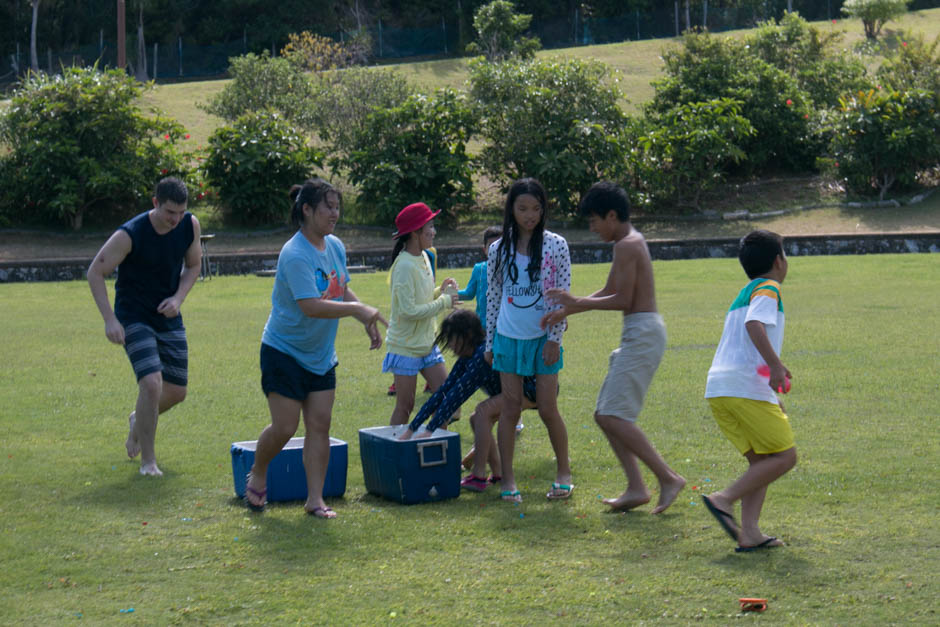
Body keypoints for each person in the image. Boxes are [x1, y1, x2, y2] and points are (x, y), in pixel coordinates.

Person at [244, 179, 386, 518]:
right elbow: (310, 305)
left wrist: (363, 315)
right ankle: (259, 470)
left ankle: (315, 500)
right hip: (284, 351)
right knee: (285, 427)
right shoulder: (294, 254)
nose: (335, 214)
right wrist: (355, 310)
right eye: (328, 207)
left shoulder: (334, 245)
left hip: (321, 355)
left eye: (338, 208)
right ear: (307, 210)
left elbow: (340, 290)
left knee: (320, 425)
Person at [541, 182, 686, 514]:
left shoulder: (627, 246)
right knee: (605, 415)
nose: (592, 228)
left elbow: (623, 299)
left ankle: (667, 478)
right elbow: (610, 290)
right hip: (641, 331)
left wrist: (574, 301)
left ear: (611, 215)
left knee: (612, 415)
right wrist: (568, 310)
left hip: (642, 332)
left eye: (594, 220)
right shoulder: (628, 242)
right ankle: (637, 487)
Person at [87, 177, 201, 477]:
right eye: (168, 212)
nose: (175, 219)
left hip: (167, 315)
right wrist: (110, 320)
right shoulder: (130, 234)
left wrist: (178, 297)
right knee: (151, 384)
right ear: (155, 203)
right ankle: (148, 462)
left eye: (180, 212)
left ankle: (139, 419)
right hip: (133, 315)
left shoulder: (190, 226)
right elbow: (95, 272)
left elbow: (193, 266)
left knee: (176, 391)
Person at [700, 230, 796, 551]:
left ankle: (750, 532)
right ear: (778, 261)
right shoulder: (769, 288)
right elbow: (753, 326)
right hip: (742, 388)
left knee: (763, 461)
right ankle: (723, 499)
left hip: (722, 388)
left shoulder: (745, 291)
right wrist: (777, 366)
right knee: (785, 457)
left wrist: (771, 387)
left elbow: (744, 348)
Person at [484, 178, 572, 503]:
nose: (530, 215)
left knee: (549, 409)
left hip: (543, 339)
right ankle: (508, 480)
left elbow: (563, 296)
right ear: (511, 209)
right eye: (522, 208)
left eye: (536, 208)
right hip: (508, 339)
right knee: (510, 410)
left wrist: (554, 338)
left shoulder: (556, 244)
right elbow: (494, 296)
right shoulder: (498, 249)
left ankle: (564, 474)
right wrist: (490, 344)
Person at [396, 310, 543, 492]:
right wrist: (413, 427)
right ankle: (497, 474)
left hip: (532, 390)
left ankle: (478, 476)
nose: (449, 345)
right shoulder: (467, 358)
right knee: (477, 419)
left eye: (452, 338)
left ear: (468, 335)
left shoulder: (481, 356)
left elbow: (455, 397)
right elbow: (442, 393)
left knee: (482, 411)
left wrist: (430, 429)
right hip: (516, 392)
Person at [384, 202, 459, 426]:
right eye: (430, 227)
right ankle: (393, 455)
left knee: (446, 401)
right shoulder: (404, 266)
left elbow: (423, 300)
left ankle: (439, 455)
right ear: (416, 232)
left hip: (428, 343)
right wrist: (444, 301)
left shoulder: (425, 256)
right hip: (405, 347)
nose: (434, 232)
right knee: (405, 407)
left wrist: (440, 291)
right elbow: (408, 311)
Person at [458, 225, 525, 455]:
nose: (497, 248)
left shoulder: (511, 269)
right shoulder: (479, 269)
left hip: (504, 331)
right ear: (484, 248)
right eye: (492, 244)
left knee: (506, 376)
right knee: (489, 376)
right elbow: (468, 293)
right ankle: (500, 412)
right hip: (482, 333)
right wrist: (448, 294)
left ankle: (510, 415)